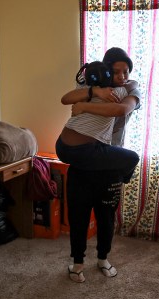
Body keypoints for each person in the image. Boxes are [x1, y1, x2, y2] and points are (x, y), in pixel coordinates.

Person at [55, 47, 141, 283]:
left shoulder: (131, 88)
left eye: (126, 71)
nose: (122, 76)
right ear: (105, 70)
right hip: (84, 161)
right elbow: (66, 99)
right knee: (78, 216)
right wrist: (93, 92)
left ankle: (103, 258)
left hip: (108, 161)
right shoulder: (90, 86)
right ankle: (77, 263)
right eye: (116, 72)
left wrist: (85, 106)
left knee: (106, 217)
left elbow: (122, 108)